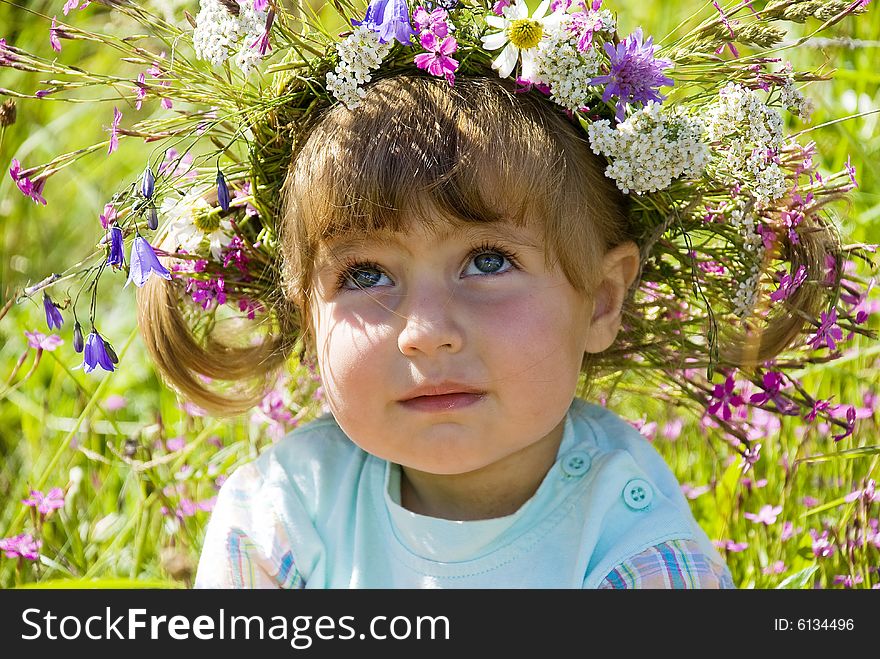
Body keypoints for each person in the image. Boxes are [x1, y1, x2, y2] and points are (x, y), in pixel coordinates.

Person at [187, 73, 734, 588]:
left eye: (489, 262)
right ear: (307, 317)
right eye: (365, 274)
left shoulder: (633, 549)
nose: (425, 333)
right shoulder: (280, 515)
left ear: (600, 300)